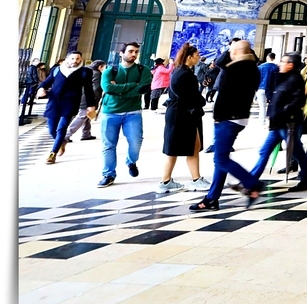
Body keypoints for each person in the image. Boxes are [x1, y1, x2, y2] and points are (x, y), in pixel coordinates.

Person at [190, 39, 262, 211]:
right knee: (220, 160)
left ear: (236, 53)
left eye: (231, 51)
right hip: (240, 117)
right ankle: (212, 198)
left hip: (227, 118)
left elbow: (222, 89)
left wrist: (217, 117)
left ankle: (252, 184)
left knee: (221, 159)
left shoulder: (233, 69)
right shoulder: (254, 69)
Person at [249, 52, 307, 192]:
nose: (279, 64)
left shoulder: (295, 79)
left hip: (287, 124)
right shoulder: (283, 77)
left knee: (298, 153)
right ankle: (250, 181)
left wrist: (283, 111)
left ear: (290, 65)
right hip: (277, 124)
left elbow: (298, 101)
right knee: (264, 151)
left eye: (283, 62)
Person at [97, 43, 151, 187]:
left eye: (136, 52)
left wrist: (118, 90)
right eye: (130, 51)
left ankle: (131, 161)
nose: (134, 54)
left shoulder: (142, 70)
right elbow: (107, 88)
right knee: (108, 144)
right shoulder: (110, 70)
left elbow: (143, 89)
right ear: (121, 53)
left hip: (133, 112)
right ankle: (108, 174)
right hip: (110, 112)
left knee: (136, 141)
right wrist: (132, 85)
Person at [159, 43, 210, 193]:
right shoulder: (184, 74)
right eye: (197, 55)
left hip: (183, 113)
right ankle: (167, 181)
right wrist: (201, 101)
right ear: (189, 57)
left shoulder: (182, 71)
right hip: (180, 114)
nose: (199, 57)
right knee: (174, 148)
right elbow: (190, 97)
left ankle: (194, 178)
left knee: (192, 146)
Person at [39, 52, 96, 164]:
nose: (75, 61)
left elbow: (89, 89)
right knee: (51, 130)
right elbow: (46, 82)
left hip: (71, 103)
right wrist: (41, 89)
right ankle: (62, 142)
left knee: (62, 128)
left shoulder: (85, 72)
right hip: (54, 102)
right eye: (73, 58)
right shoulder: (57, 70)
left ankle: (53, 153)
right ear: (67, 60)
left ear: (81, 60)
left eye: (78, 59)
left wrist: (91, 105)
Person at [65, 59, 105, 143]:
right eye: (104, 67)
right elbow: (96, 88)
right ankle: (66, 135)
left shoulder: (87, 71)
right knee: (82, 116)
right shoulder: (97, 74)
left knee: (87, 117)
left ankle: (86, 134)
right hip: (88, 99)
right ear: (100, 66)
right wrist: (95, 100)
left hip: (82, 96)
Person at [257, 51, 278, 124]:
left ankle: (262, 121)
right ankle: (270, 121)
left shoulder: (260, 67)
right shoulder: (276, 67)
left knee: (262, 106)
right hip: (271, 89)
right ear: (274, 58)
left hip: (260, 88)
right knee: (271, 105)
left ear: (267, 57)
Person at [19, 60, 42, 124]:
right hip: (31, 83)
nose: (38, 62)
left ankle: (25, 101)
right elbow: (30, 75)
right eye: (37, 61)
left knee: (30, 93)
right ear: (33, 61)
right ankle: (23, 101)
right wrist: (33, 81)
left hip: (33, 82)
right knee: (28, 92)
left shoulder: (34, 67)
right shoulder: (31, 67)